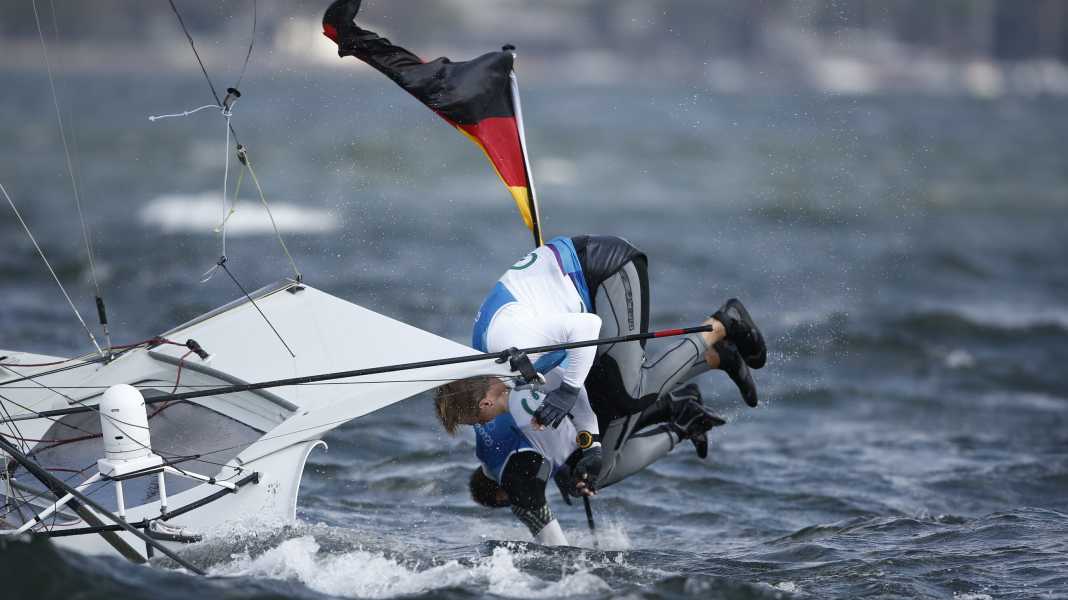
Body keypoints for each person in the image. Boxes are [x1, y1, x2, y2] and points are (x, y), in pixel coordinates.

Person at [469, 235, 766, 485]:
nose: (488, 423)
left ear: (484, 402)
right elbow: (577, 399)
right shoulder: (508, 371)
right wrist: (591, 446)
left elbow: (585, 327)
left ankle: (722, 323)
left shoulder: (510, 346)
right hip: (575, 308)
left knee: (630, 393)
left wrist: (569, 390)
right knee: (593, 473)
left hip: (602, 270)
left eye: (482, 420)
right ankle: (715, 358)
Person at [437, 372, 723, 545]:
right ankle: (675, 403)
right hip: (560, 397)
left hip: (572, 422)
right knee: (599, 441)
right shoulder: (484, 442)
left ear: (502, 495)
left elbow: (550, 534)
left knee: (601, 469)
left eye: (506, 501)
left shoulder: (511, 476)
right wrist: (561, 472)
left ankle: (682, 421)